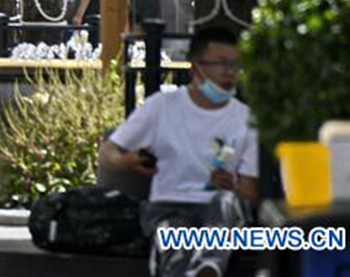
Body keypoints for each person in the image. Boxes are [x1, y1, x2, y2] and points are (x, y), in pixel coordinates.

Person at [99, 27, 257, 277]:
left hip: (220, 209)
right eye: (221, 64)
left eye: (235, 65)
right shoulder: (161, 107)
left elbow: (251, 191)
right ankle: (200, 269)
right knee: (174, 239)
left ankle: (208, 266)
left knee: (225, 204)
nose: (230, 72)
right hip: (169, 207)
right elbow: (108, 150)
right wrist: (125, 161)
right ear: (195, 68)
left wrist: (234, 183)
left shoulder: (246, 119)